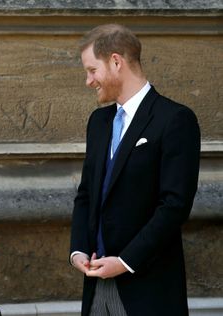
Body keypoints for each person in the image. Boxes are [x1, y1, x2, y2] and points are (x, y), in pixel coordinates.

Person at [70, 24, 200, 316]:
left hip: (147, 290)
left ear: (116, 62)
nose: (89, 81)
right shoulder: (98, 122)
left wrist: (125, 261)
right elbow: (87, 194)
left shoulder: (175, 120)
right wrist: (77, 250)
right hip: (95, 289)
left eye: (92, 70)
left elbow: (175, 206)